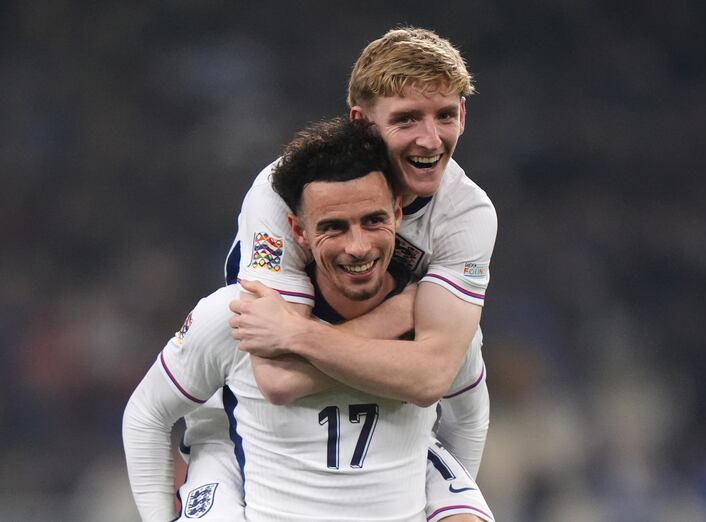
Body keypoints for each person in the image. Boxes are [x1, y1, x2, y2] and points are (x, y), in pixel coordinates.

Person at [123, 118, 493, 521]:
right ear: (298, 231)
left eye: (373, 221)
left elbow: (468, 417)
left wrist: (450, 503)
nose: (358, 247)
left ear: (398, 213)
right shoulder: (241, 318)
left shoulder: (439, 324)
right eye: (334, 227)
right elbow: (147, 414)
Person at [229, 26, 495, 477]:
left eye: (445, 115)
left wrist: (299, 337)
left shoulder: (467, 213)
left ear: (464, 114)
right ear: (361, 122)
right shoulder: (285, 194)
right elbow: (277, 380)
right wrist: (403, 314)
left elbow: (431, 379)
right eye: (406, 119)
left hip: (405, 423)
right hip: (271, 432)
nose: (431, 140)